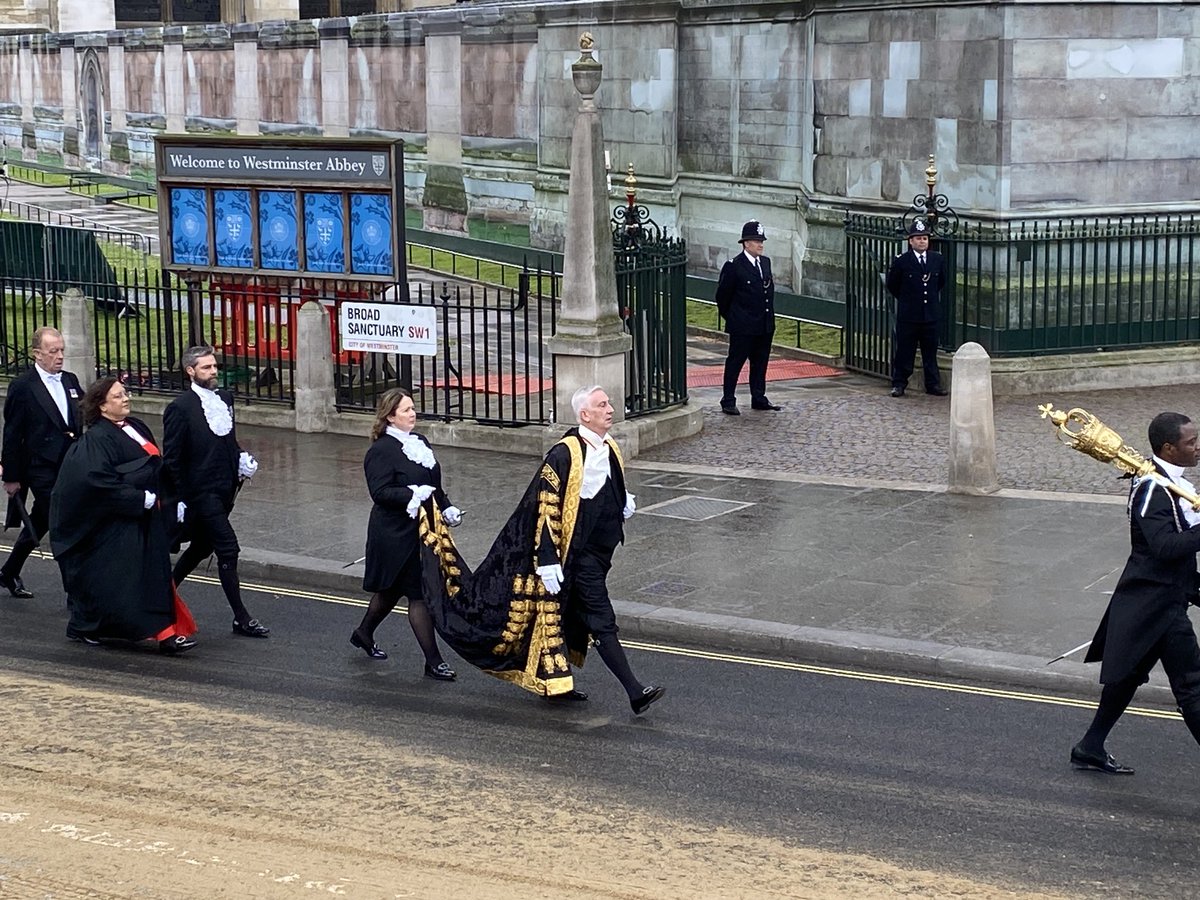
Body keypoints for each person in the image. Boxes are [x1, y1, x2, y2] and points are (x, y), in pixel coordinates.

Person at [424, 385, 665, 714]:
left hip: (596, 555)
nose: (610, 408)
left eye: (609, 403)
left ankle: (555, 684)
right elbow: (543, 509)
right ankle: (635, 692)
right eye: (602, 405)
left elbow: (608, 485)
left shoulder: (609, 447)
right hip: (574, 560)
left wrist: (623, 500)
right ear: (585, 415)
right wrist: (548, 561)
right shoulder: (563, 454)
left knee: (563, 619)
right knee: (601, 620)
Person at [1071, 412, 1200, 775]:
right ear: (1168, 448)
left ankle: (1089, 747)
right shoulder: (1152, 489)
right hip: (1155, 606)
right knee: (1192, 686)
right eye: (1191, 442)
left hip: (1165, 597)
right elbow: (1163, 547)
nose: (1198, 447)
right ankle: (1090, 746)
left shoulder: (1170, 483)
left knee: (1127, 677)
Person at [48, 377, 197, 652]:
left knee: (153, 574)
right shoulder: (96, 440)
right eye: (117, 396)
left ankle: (165, 632)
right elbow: (95, 481)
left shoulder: (136, 426)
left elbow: (155, 465)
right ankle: (161, 635)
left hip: (145, 519)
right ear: (102, 407)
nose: (125, 398)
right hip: (116, 525)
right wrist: (138, 498)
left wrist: (172, 499)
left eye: (124, 393)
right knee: (128, 581)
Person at [352, 387, 462, 680]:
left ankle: (363, 633)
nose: (412, 414)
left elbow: (433, 485)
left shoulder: (419, 441)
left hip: (422, 531)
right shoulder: (380, 451)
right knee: (418, 594)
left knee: (391, 591)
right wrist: (411, 495)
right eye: (405, 410)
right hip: (393, 534)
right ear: (390, 416)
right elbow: (380, 492)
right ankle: (433, 661)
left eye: (413, 408)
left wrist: (446, 507)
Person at [163, 345, 269, 638]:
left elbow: (227, 441)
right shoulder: (180, 408)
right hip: (200, 493)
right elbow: (172, 458)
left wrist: (241, 459)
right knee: (228, 549)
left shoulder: (226, 398)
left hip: (224, 490)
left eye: (214, 367)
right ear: (190, 371)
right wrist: (181, 498)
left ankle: (164, 591)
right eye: (206, 368)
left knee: (200, 548)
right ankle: (241, 617)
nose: (213, 372)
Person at [1, 326, 82, 598]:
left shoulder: (70, 380)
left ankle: (8, 572)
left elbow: (81, 418)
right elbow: (12, 433)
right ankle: (76, 595)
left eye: (61, 350)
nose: (59, 356)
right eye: (53, 351)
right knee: (62, 522)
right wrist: (10, 476)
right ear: (37, 354)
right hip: (40, 468)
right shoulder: (23, 387)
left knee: (41, 521)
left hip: (69, 464)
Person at [715, 220, 780, 415]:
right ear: (746, 243)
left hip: (764, 324)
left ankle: (758, 397)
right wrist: (735, 319)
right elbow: (722, 297)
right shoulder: (734, 266)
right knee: (735, 362)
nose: (760, 244)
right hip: (743, 326)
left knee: (760, 363)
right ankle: (728, 399)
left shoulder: (765, 262)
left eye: (762, 240)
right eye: (756, 240)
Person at [886, 217, 948, 398]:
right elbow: (893, 285)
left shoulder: (937, 260)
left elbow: (940, 283)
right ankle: (899, 383)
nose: (922, 241)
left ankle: (933, 384)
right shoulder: (902, 261)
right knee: (905, 351)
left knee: (930, 352)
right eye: (918, 238)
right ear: (910, 241)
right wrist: (908, 301)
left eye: (925, 238)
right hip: (909, 316)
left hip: (930, 315)